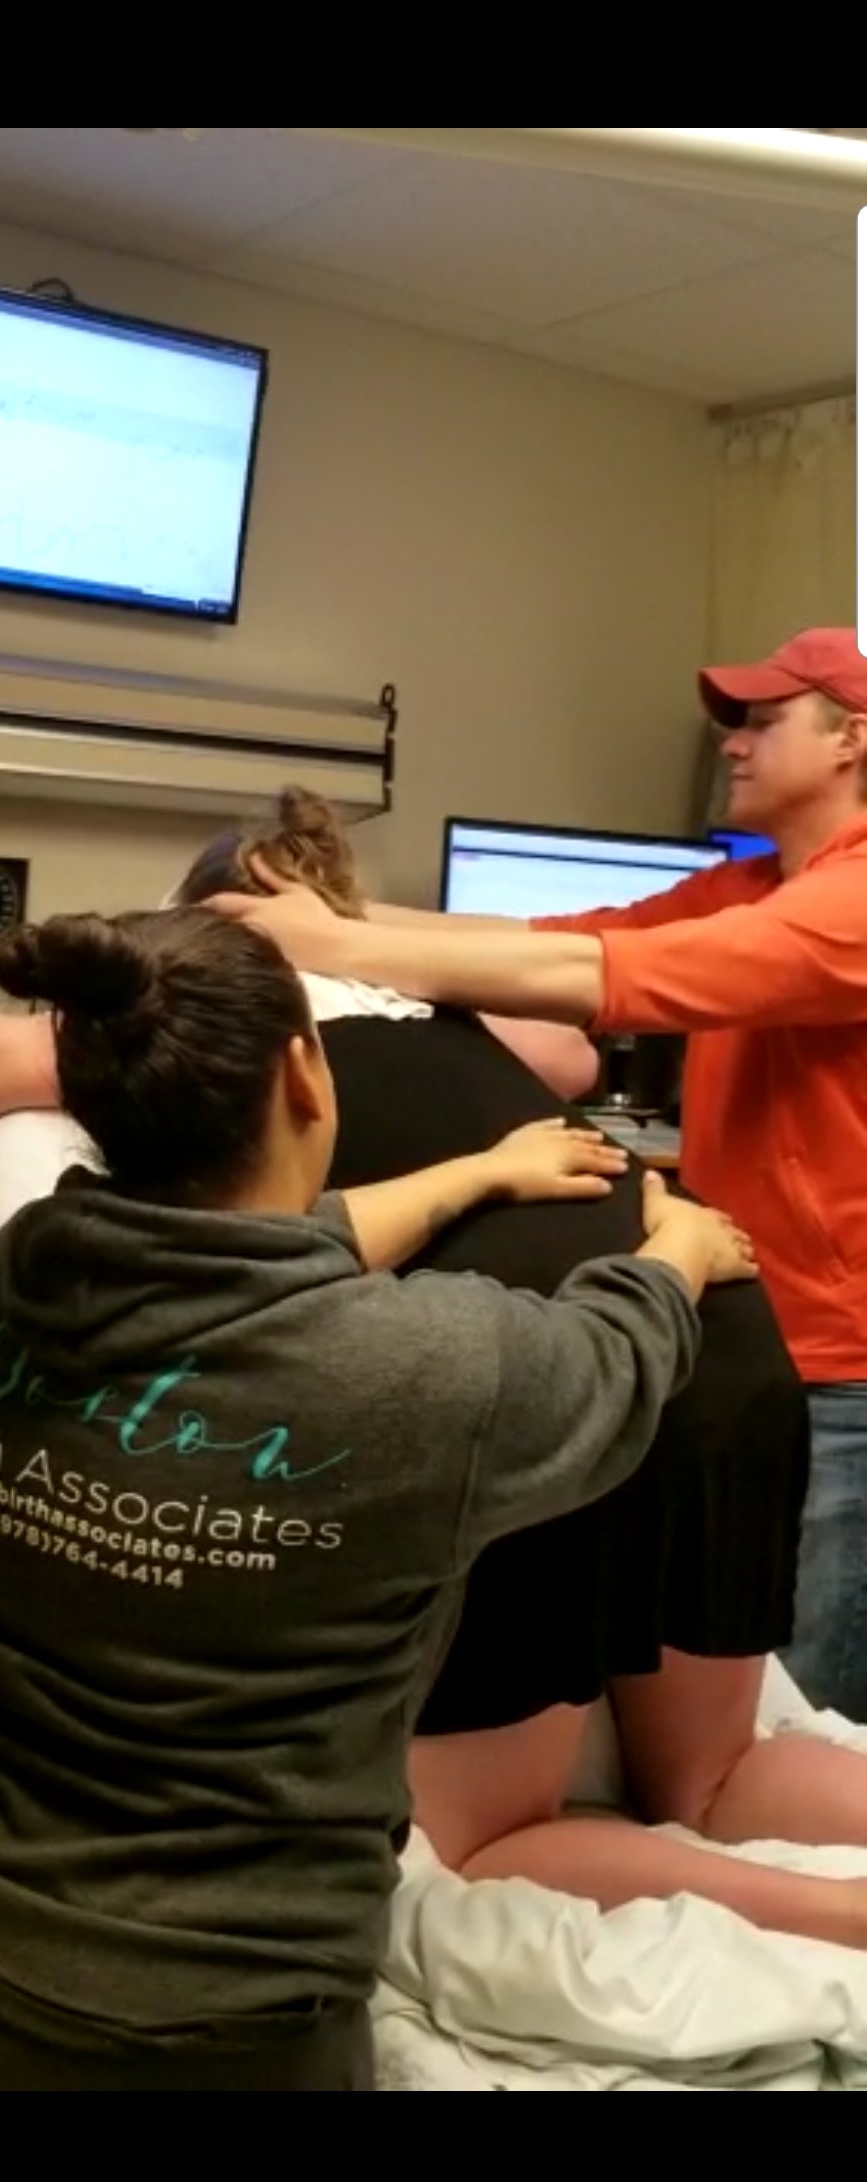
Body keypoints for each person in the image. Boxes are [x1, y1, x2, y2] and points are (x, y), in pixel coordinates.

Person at [0, 906, 731, 2094]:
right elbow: (618, 1355)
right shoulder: (429, 1374)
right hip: (152, 2029)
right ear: (304, 1073)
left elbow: (263, 1254)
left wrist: (476, 1175)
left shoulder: (33, 1262)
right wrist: (679, 1250)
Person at [0, 798, 867, 1949]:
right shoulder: (447, 1012)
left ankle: (841, 1916)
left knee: (487, 1838)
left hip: (554, 1351)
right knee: (717, 1777)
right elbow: (569, 1050)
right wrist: (395, 965)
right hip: (727, 1329)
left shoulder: (224, 1046)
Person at [212, 638, 867, 1725]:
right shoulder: (757, 886)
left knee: (812, 1707)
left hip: (841, 1364)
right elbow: (558, 934)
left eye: (763, 721)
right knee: (720, 1695)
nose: (730, 743)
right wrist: (332, 916)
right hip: (743, 1320)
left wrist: (333, 945)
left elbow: (601, 975)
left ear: (852, 739)